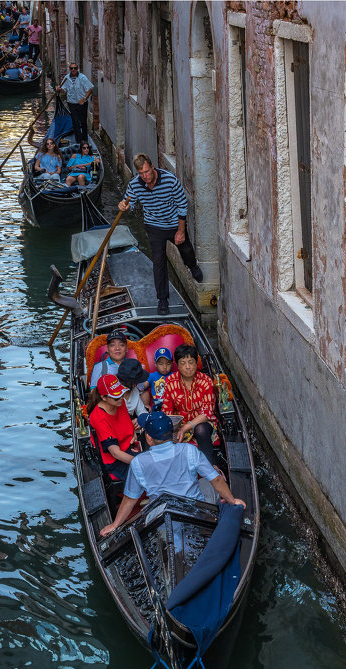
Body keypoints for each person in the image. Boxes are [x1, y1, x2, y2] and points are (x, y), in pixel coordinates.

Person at [100, 410, 246, 536]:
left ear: (149, 439)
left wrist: (115, 525)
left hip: (162, 516)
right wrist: (233, 501)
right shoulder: (189, 450)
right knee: (206, 482)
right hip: (195, 511)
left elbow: (130, 499)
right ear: (172, 434)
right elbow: (217, 480)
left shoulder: (138, 462)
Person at [118, 153, 203, 315]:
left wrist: (180, 231)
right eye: (141, 174)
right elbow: (130, 203)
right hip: (153, 226)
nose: (145, 177)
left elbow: (182, 205)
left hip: (174, 224)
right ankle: (162, 299)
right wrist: (125, 206)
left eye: (147, 172)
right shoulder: (135, 184)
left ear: (152, 167)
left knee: (186, 251)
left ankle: (192, 266)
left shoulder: (170, 180)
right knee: (158, 262)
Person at [161, 343, 221, 469]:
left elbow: (207, 412)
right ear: (177, 365)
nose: (188, 367)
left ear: (196, 363)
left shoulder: (205, 381)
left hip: (203, 422)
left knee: (201, 429)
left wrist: (187, 427)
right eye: (183, 363)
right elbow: (167, 410)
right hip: (179, 423)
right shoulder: (170, 381)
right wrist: (176, 428)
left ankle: (208, 467)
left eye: (191, 362)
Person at [87, 374, 139, 483]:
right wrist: (139, 462)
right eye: (116, 397)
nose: (121, 398)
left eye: (122, 394)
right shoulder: (99, 418)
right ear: (104, 398)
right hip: (115, 461)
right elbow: (115, 453)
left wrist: (133, 434)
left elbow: (128, 425)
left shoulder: (120, 403)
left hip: (129, 448)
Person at [59, 62, 93, 144]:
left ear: (77, 69)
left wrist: (84, 99)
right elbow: (64, 90)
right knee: (75, 122)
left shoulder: (83, 78)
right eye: (71, 68)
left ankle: (85, 140)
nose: (73, 70)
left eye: (75, 68)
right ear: (69, 69)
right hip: (72, 103)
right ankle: (79, 141)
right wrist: (60, 90)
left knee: (83, 122)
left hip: (82, 104)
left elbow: (90, 89)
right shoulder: (66, 78)